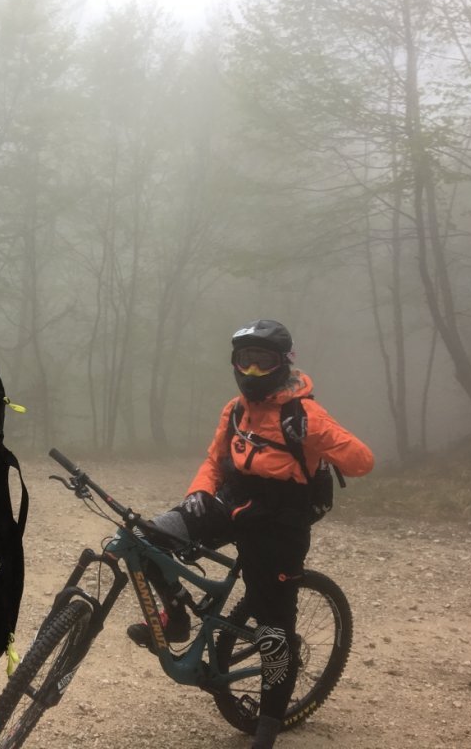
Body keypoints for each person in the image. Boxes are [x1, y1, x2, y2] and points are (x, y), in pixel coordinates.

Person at [126, 319, 373, 749]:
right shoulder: (235, 408)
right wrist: (200, 492)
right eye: (246, 361)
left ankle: (268, 725)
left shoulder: (306, 414)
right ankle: (178, 617)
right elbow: (212, 459)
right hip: (231, 502)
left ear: (284, 364)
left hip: (281, 523)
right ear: (235, 363)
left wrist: (317, 434)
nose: (253, 372)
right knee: (147, 540)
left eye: (264, 362)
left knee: (274, 630)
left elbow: (362, 461)